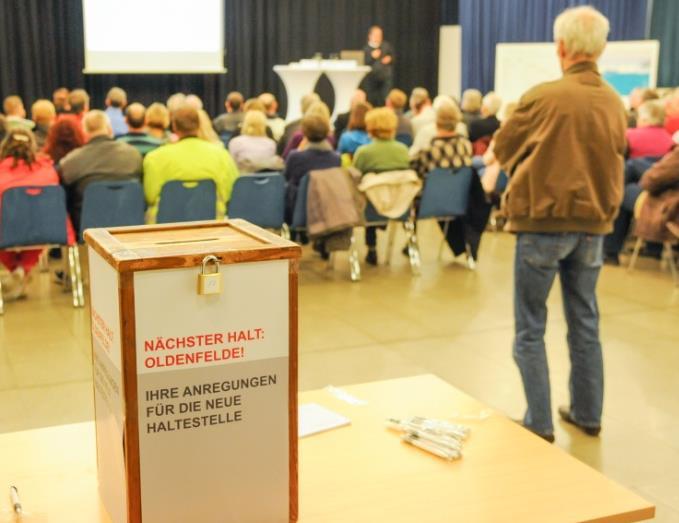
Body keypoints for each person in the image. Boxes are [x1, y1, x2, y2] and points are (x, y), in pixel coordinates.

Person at [493, 6, 626, 442]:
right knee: (585, 321)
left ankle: (540, 421)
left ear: (561, 47)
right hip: (593, 228)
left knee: (530, 326)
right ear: (602, 48)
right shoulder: (614, 101)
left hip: (542, 226)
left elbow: (503, 145)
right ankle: (588, 413)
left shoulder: (541, 97)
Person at [0, 129, 74, 300]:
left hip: (7, 230)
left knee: (10, 225)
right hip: (46, 230)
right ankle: (22, 268)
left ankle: (16, 269)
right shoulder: (48, 169)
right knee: (41, 222)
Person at [411, 104, 490, 262]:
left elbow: (414, 170)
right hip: (460, 202)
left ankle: (411, 246)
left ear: (436, 123)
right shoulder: (466, 146)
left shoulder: (429, 151)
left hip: (430, 203)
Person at [143, 105, 239, 222]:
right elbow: (231, 193)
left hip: (164, 229)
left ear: (174, 126)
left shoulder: (154, 157)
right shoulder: (222, 155)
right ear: (199, 125)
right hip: (211, 226)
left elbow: (150, 197)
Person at [59, 110, 142, 230]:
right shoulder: (133, 155)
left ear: (84, 133)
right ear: (109, 129)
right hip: (130, 227)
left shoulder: (69, 162)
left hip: (89, 232)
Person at [353, 107, 410, 265]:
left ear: (370, 128)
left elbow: (355, 179)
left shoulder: (364, 152)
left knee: (370, 192)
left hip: (370, 208)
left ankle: (371, 247)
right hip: (400, 205)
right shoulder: (403, 151)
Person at [283, 111, 341, 222]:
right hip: (326, 209)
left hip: (299, 210)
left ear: (304, 132)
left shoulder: (295, 157)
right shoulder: (336, 159)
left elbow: (286, 177)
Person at [361, 26, 394, 107]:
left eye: (380, 35)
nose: (378, 37)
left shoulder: (386, 46)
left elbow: (393, 57)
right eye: (376, 35)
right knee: (371, 100)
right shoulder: (366, 49)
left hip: (385, 79)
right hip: (371, 80)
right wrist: (372, 57)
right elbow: (362, 63)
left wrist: (390, 59)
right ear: (370, 36)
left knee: (385, 98)